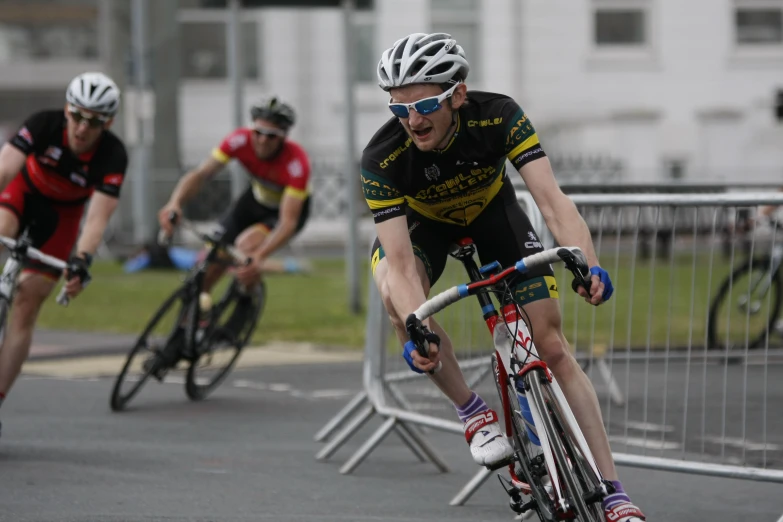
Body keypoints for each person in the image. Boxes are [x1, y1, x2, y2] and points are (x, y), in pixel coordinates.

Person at [362, 33, 645, 521]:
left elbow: (552, 202)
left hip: (495, 216)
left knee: (551, 345)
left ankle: (614, 491)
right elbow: (405, 265)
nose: (413, 120)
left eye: (426, 103)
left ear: (458, 93)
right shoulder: (382, 158)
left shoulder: (499, 114)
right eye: (399, 108)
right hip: (421, 227)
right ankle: (473, 412)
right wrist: (417, 327)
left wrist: (587, 262)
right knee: (393, 289)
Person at [0, 72, 128, 437]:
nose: (82, 128)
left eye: (94, 122)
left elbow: (97, 218)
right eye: (77, 116)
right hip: (23, 193)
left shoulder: (113, 154)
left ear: (109, 124)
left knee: (28, 302)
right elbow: (6, 169)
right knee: (2, 229)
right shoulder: (43, 123)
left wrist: (83, 260)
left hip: (63, 216)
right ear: (67, 110)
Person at [157, 96, 311, 300]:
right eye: (258, 133)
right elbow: (200, 174)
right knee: (212, 255)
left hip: (283, 212)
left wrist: (260, 256)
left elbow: (288, 222)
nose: (263, 140)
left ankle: (247, 298)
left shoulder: (296, 163)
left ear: (283, 137)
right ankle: (196, 314)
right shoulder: (239, 141)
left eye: (271, 136)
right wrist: (175, 202)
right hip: (255, 200)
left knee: (246, 248)